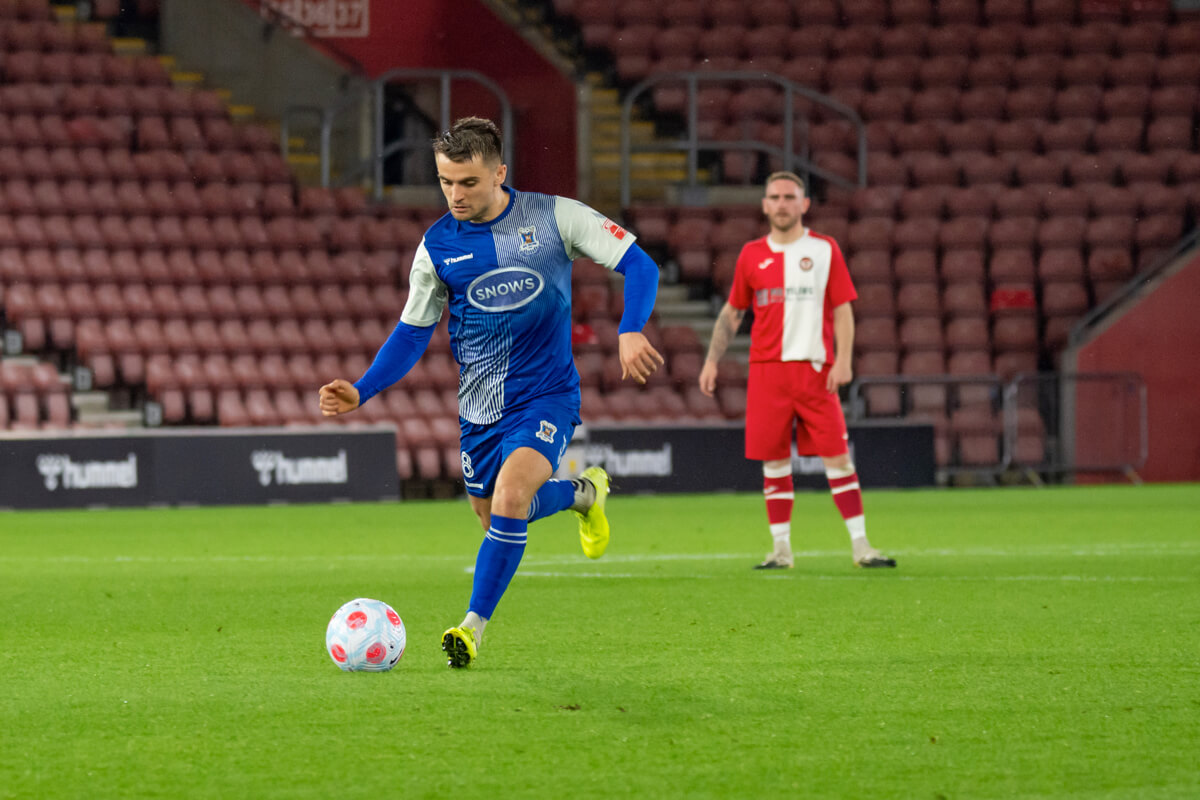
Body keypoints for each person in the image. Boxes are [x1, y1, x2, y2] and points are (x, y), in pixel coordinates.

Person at [318, 117, 665, 667]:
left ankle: (471, 627)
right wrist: (363, 390)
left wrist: (630, 330)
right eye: (445, 182)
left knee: (509, 499)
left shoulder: (556, 217)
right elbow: (412, 332)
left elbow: (640, 265)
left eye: (468, 182)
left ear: (499, 172)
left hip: (546, 396)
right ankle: (584, 495)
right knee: (496, 517)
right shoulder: (437, 247)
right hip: (479, 408)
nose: (455, 194)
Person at [698, 171, 896, 570]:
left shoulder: (824, 249)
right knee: (774, 463)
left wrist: (843, 360)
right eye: (775, 196)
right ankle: (781, 551)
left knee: (839, 459)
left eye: (790, 196)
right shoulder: (752, 254)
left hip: (814, 372)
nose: (782, 203)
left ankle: (862, 547)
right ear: (765, 205)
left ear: (804, 205)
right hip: (768, 374)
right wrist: (711, 360)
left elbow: (842, 309)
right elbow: (734, 311)